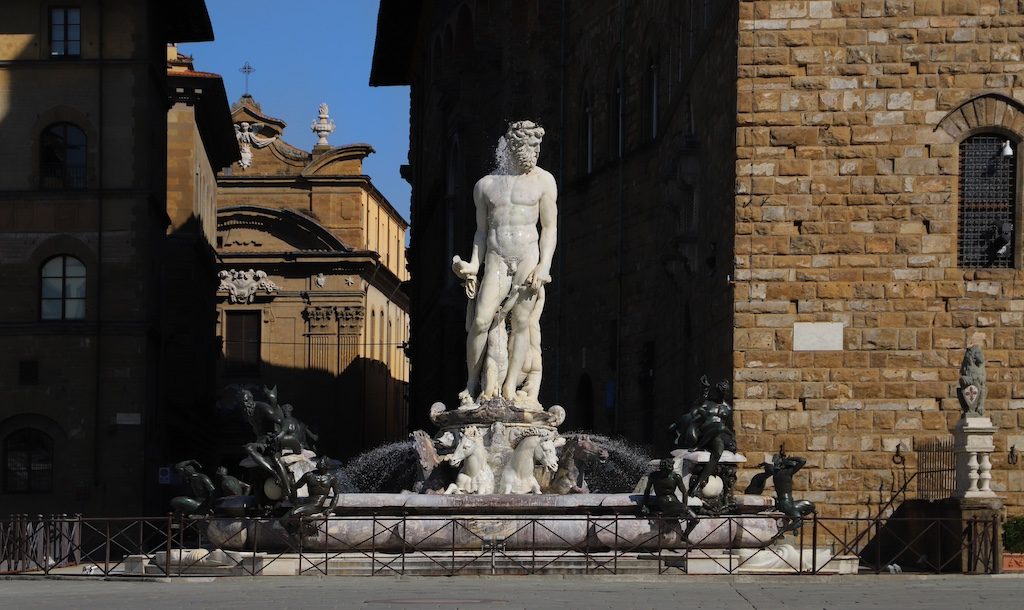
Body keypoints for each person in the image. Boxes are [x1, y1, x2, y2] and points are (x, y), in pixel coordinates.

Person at [452, 120, 557, 407]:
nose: (533, 154)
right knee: (482, 320)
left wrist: (544, 265)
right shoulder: (485, 186)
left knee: (521, 322)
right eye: (527, 147)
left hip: (527, 256)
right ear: (511, 147)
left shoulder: (544, 181)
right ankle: (472, 384)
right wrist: (474, 264)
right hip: (497, 258)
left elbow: (549, 228)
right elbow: (482, 232)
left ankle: (510, 386)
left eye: (536, 148)